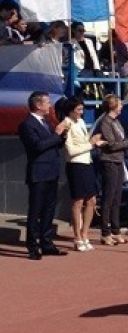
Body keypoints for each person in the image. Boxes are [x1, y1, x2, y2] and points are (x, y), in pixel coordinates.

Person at [18, 91, 71, 259]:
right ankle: (33, 246)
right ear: (38, 105)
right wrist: (56, 134)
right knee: (36, 210)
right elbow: (37, 146)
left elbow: (54, 144)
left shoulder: (46, 122)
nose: (50, 105)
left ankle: (47, 242)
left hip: (51, 171)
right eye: (47, 102)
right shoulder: (27, 124)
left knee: (49, 210)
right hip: (38, 173)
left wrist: (62, 134)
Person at [92, 95, 128, 245]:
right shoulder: (105, 122)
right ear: (113, 106)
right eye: (119, 104)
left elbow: (120, 141)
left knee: (117, 196)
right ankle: (105, 232)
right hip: (109, 160)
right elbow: (113, 144)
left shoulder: (116, 122)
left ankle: (116, 230)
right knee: (108, 197)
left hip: (118, 160)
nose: (121, 106)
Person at [61, 97, 105, 251]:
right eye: (78, 109)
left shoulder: (80, 122)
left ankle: (85, 233)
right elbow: (71, 151)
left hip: (87, 163)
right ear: (70, 110)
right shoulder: (66, 124)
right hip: (75, 165)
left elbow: (84, 143)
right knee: (78, 201)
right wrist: (90, 144)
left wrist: (93, 141)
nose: (81, 112)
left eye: (82, 109)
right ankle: (77, 237)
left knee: (91, 200)